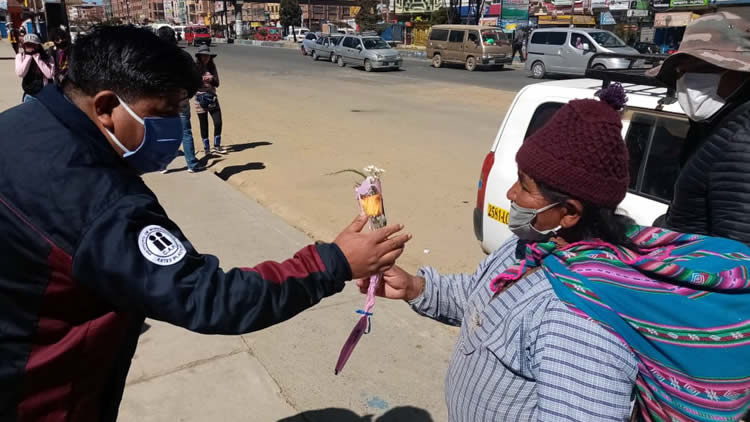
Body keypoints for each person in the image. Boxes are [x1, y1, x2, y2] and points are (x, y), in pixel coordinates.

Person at [0, 26, 410, 421]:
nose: (174, 134)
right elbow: (206, 297)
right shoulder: (97, 200)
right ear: (106, 108)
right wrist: (332, 262)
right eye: (164, 115)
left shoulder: (21, 127)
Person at [359, 85, 750, 421]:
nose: (512, 194)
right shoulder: (532, 246)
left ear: (569, 212)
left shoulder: (577, 321)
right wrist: (415, 287)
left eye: (526, 187)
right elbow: (482, 296)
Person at [647, 12, 750, 245]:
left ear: (740, 74)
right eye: (681, 71)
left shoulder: (742, 144)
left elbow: (736, 257)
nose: (686, 80)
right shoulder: (714, 125)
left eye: (701, 69)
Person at [156, 25, 203, 173]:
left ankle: (163, 165)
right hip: (181, 100)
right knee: (185, 132)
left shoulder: (153, 58)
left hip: (162, 101)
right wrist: (188, 94)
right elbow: (195, 78)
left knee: (163, 133)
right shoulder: (184, 56)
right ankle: (191, 164)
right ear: (174, 38)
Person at [194, 45, 225, 155]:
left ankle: (217, 145)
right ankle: (206, 148)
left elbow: (217, 84)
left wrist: (211, 79)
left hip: (212, 98)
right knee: (204, 124)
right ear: (200, 57)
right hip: (200, 100)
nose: (205, 58)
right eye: (203, 56)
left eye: (207, 56)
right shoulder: (195, 68)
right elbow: (192, 85)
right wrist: (201, 81)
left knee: (218, 122)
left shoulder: (212, 67)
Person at [14, 33, 55, 102]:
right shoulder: (20, 57)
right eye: (27, 44)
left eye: (32, 44)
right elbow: (20, 73)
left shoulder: (48, 58)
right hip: (29, 95)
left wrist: (38, 60)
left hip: (45, 94)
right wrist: (28, 57)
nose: (29, 47)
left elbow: (50, 75)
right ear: (24, 45)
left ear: (38, 46)